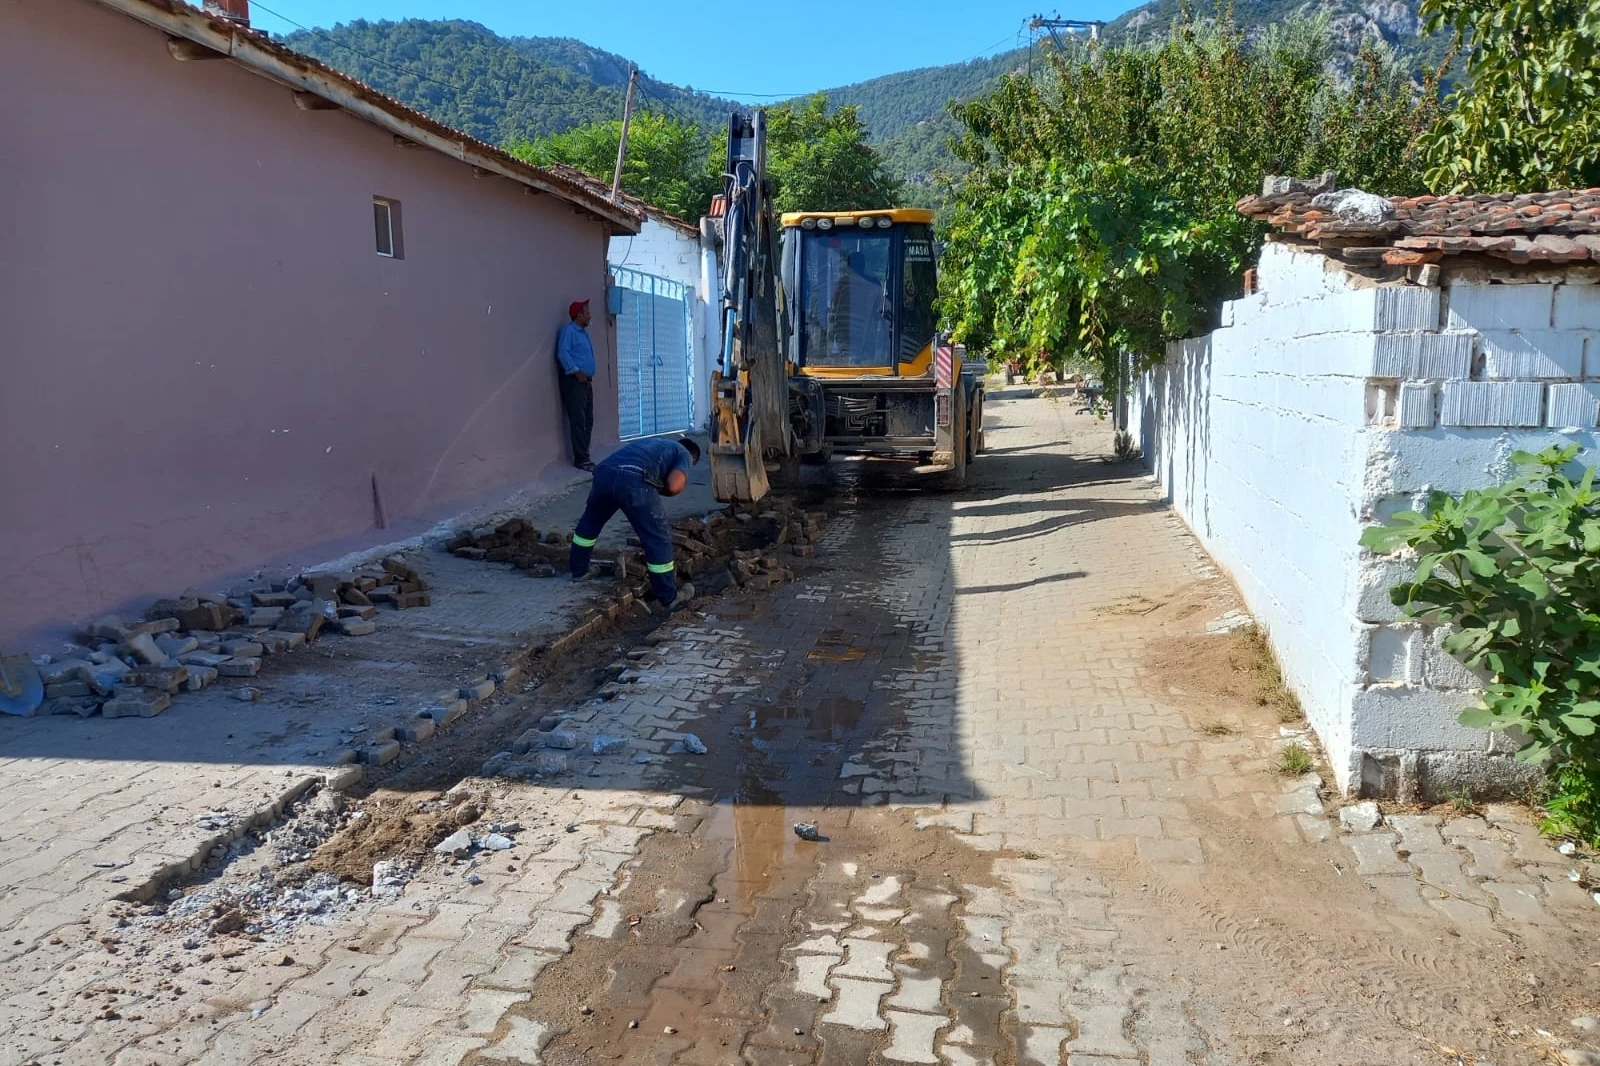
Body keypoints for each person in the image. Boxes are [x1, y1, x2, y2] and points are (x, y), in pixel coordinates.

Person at [569, 435, 701, 610]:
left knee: (590, 524)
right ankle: (670, 598)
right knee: (658, 538)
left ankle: (579, 571)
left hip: (604, 474)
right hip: (634, 480)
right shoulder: (685, 453)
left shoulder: (655, 443)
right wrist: (652, 492)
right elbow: (673, 486)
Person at [556, 299, 596, 471]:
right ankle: (581, 459)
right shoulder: (569, 331)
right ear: (579, 314)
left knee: (588, 419)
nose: (589, 315)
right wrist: (576, 371)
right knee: (579, 420)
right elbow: (562, 353)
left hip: (586, 382)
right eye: (587, 312)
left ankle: (584, 454)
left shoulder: (582, 333)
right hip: (575, 382)